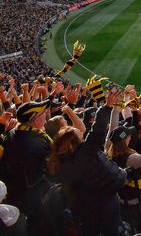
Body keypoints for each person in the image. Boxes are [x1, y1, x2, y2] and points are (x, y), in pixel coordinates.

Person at [47, 89, 127, 236]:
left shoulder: (60, 162)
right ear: (71, 143)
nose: (81, 131)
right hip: (104, 203)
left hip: (85, 208)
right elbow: (96, 131)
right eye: (77, 133)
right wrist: (107, 106)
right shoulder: (84, 154)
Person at [0, 100, 52, 234]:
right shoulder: (38, 142)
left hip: (13, 191)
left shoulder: (13, 132)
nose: (46, 114)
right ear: (34, 120)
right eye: (42, 113)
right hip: (28, 197)